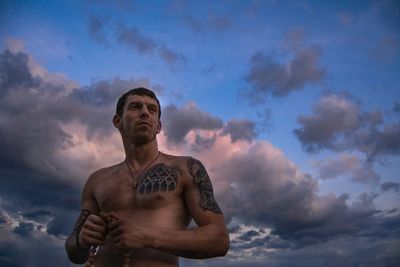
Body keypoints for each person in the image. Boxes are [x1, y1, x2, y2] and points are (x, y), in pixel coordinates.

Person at [65, 87, 229, 266]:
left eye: (152, 110)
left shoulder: (186, 168)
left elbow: (219, 240)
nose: (145, 113)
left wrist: (146, 236)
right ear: (117, 121)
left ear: (158, 126)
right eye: (135, 107)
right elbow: (74, 254)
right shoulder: (97, 180)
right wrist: (82, 241)